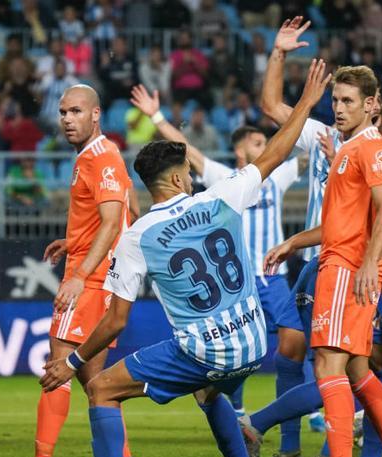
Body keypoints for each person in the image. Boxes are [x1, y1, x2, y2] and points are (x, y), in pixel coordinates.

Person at [40, 58, 332, 457]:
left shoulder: (137, 238)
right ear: (178, 177)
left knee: (101, 389)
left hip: (207, 349)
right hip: (253, 342)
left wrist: (73, 363)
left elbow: (116, 321)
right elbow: (274, 154)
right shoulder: (222, 196)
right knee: (208, 391)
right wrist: (307, 102)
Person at [248, 17, 382, 457]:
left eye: (348, 101)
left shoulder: (378, 152)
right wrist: (279, 53)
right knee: (356, 370)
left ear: (372, 106)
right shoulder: (336, 141)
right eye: (335, 99)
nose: (338, 108)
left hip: (350, 268)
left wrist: (373, 265)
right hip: (332, 260)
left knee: (332, 364)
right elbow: (270, 105)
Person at [130, 84, 305, 432]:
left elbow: (299, 153)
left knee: (293, 345)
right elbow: (188, 155)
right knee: (233, 354)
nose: (264, 147)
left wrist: (327, 138)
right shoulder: (225, 179)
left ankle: (297, 420)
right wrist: (156, 116)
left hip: (273, 278)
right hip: (240, 280)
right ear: (239, 150)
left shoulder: (276, 177)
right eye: (256, 143)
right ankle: (239, 417)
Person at [14, 85, 140, 457]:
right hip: (104, 276)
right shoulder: (98, 157)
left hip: (92, 281)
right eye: (63, 111)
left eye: (76, 111)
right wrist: (76, 240)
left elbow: (111, 219)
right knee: (95, 380)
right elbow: (128, 212)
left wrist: (81, 273)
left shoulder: (100, 156)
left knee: (58, 366)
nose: (67, 119)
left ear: (96, 114)